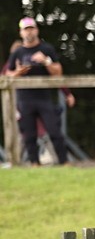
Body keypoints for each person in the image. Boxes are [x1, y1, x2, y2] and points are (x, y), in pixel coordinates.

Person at [3, 17, 69, 165]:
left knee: (54, 131)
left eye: (32, 28)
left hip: (44, 98)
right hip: (24, 99)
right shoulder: (17, 52)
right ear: (21, 33)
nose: (29, 32)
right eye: (26, 29)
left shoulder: (46, 49)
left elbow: (58, 72)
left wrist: (46, 61)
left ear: (37, 30)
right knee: (29, 135)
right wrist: (18, 72)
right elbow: (7, 74)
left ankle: (64, 162)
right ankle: (34, 163)